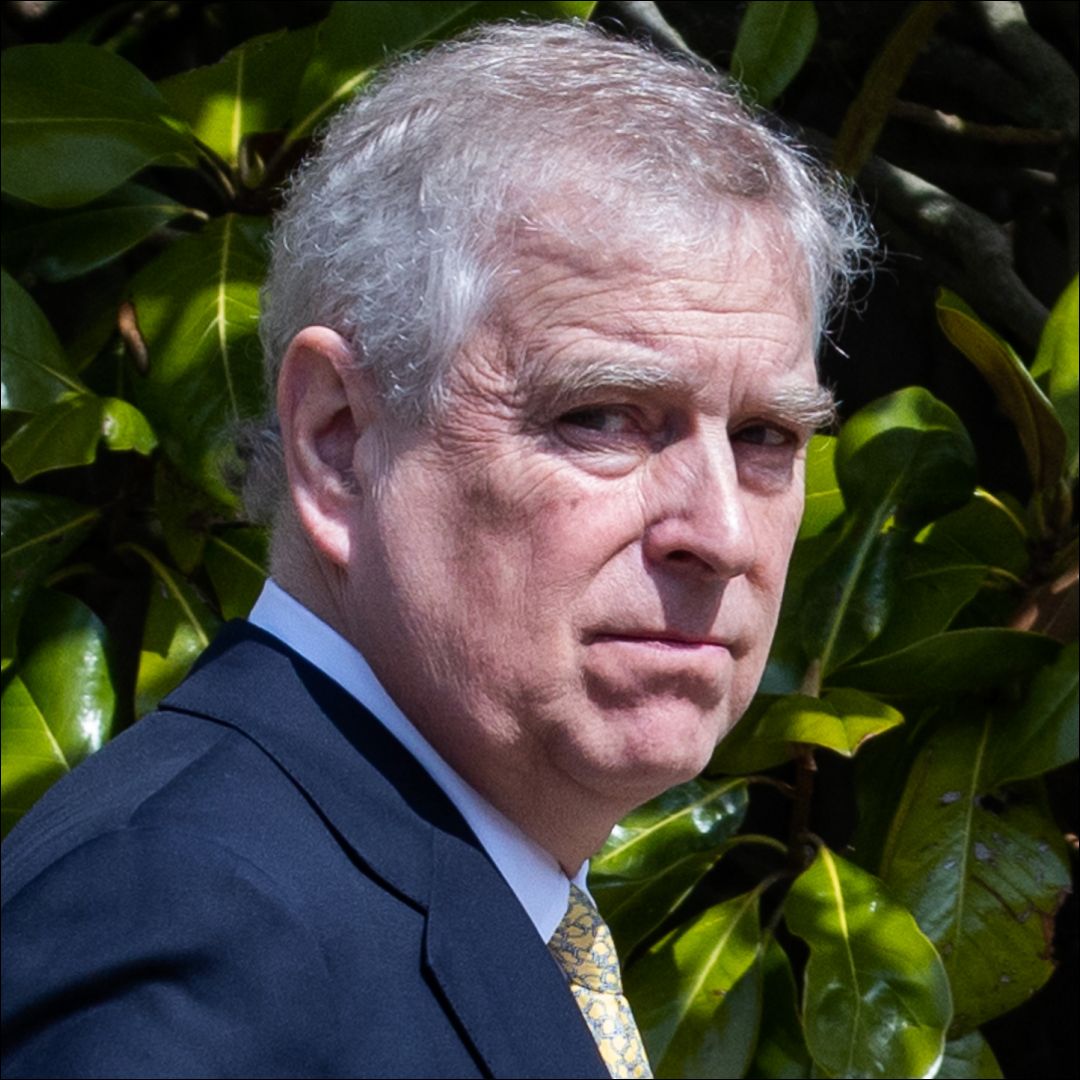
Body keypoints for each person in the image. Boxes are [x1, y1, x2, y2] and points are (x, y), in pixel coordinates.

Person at [1, 20, 868, 1080]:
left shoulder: (445, 881)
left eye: (767, 437)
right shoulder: (191, 923)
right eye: (602, 416)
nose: (723, 536)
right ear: (338, 441)